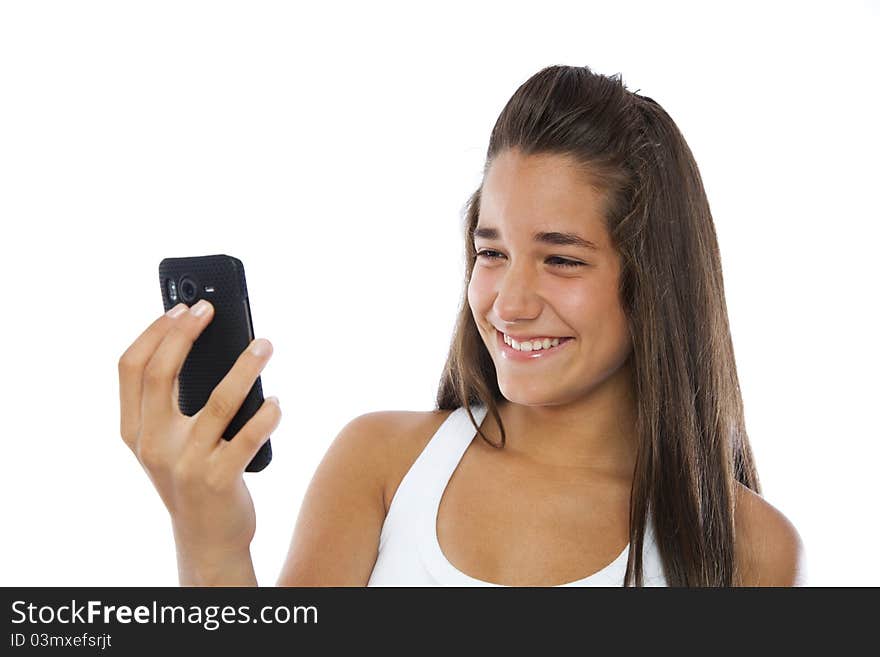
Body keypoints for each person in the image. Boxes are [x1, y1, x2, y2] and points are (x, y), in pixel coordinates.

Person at [117, 65, 806, 587]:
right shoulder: (380, 464)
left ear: (654, 280)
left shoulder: (752, 549)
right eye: (492, 252)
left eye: (560, 258)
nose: (509, 302)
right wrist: (210, 540)